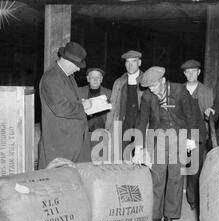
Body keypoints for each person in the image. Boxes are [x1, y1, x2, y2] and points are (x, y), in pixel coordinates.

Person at [134, 66, 198, 221]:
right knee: (158, 176)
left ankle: (170, 215)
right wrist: (139, 146)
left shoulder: (179, 91)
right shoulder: (148, 95)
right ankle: (155, 214)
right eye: (149, 87)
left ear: (163, 81)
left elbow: (191, 115)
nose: (152, 90)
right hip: (159, 138)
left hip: (179, 137)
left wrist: (191, 138)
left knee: (175, 177)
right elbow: (141, 120)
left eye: (154, 86)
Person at [38, 41, 101, 169]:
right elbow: (60, 108)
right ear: (67, 61)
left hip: (74, 143)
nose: (78, 69)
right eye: (77, 65)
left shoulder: (67, 76)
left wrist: (85, 105)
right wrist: (83, 106)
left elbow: (71, 102)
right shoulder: (51, 78)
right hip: (61, 145)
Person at [181, 59, 214, 210]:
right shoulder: (178, 89)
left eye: (193, 71)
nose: (190, 74)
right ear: (184, 73)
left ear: (199, 72)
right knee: (179, 166)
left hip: (197, 133)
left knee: (194, 167)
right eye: (187, 72)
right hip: (180, 132)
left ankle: (193, 200)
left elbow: (210, 115)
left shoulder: (207, 91)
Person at [105, 50, 144, 157]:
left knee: (140, 159)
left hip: (141, 126)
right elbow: (112, 106)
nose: (130, 65)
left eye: (134, 61)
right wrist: (108, 127)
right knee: (121, 157)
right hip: (122, 124)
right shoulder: (119, 82)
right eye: (128, 62)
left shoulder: (145, 81)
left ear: (139, 63)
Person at [78, 67, 111, 133]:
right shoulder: (79, 92)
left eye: (98, 77)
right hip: (82, 129)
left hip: (102, 130)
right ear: (88, 79)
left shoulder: (109, 94)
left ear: (101, 79)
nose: (95, 80)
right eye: (93, 77)